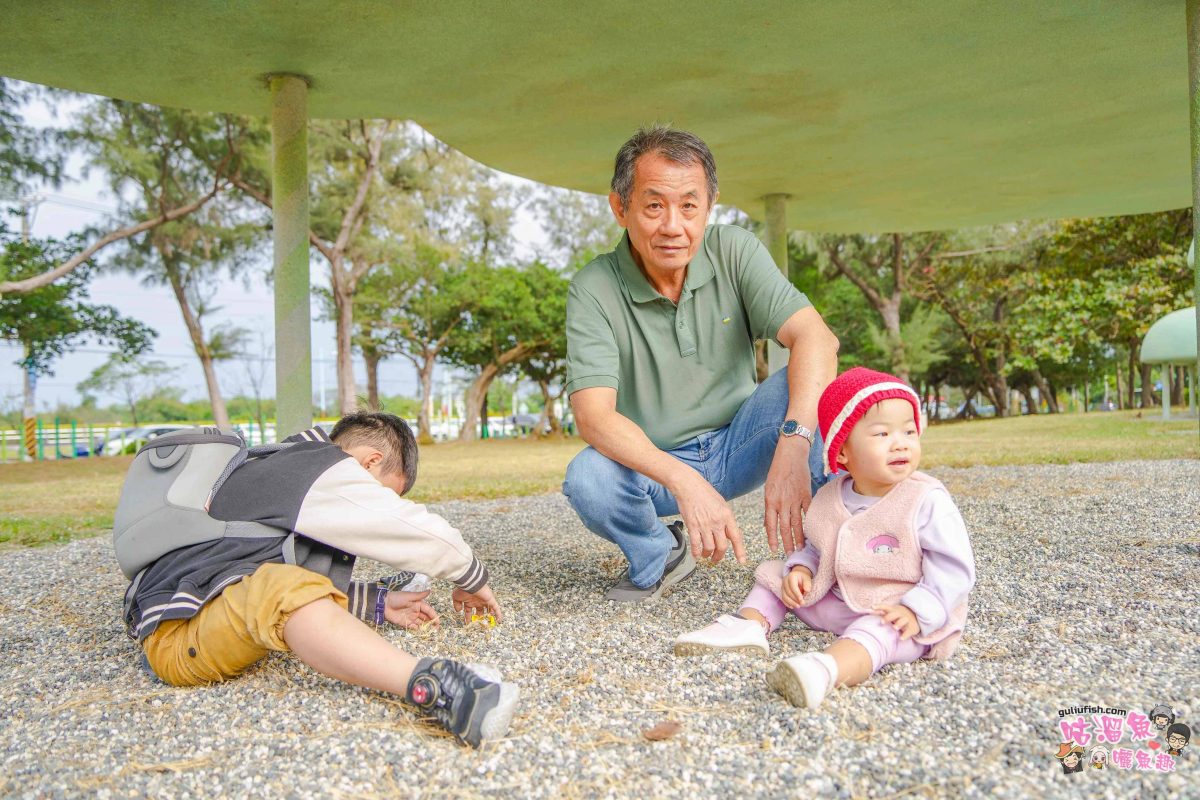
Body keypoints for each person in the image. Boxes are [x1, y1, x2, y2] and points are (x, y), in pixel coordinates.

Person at [123, 412, 518, 748]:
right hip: (179, 639)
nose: (382, 503)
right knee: (279, 591)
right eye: (387, 493)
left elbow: (259, 582)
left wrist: (378, 604)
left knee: (280, 588)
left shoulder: (282, 468)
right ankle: (436, 688)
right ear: (368, 463)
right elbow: (410, 529)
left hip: (203, 618)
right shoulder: (319, 468)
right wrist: (471, 577)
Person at [562, 125, 840, 601]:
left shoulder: (734, 249)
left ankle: (830, 553)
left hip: (743, 438)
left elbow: (816, 336)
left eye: (689, 206)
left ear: (709, 206)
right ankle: (662, 553)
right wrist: (683, 480)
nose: (673, 225)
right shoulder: (593, 289)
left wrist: (794, 446)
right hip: (657, 464)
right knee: (587, 478)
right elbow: (593, 416)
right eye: (653, 205)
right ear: (620, 207)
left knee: (829, 392)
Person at [674, 368, 976, 711]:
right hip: (836, 600)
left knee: (878, 632)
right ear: (843, 451)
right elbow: (818, 546)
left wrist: (917, 610)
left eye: (909, 431)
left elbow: (954, 568)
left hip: (897, 609)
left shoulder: (926, 500)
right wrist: (802, 569)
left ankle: (826, 669)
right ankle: (749, 624)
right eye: (882, 433)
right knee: (775, 574)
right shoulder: (832, 495)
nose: (901, 442)